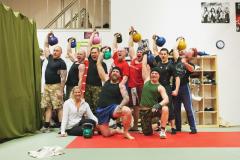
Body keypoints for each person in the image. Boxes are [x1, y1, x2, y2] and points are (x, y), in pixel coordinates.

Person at [96, 50, 134, 140]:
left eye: (117, 72)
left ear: (120, 75)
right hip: (102, 109)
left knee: (127, 111)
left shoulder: (121, 85)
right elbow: (98, 64)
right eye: (114, 71)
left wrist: (120, 106)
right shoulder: (106, 79)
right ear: (110, 73)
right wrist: (102, 52)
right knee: (106, 133)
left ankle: (125, 132)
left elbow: (126, 98)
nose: (115, 72)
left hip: (114, 108)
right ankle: (116, 130)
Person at [40, 32, 67, 132]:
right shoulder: (50, 58)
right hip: (47, 86)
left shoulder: (62, 63)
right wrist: (47, 35)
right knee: (47, 106)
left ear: (61, 53)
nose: (55, 52)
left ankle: (62, 127)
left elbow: (63, 78)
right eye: (54, 50)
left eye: (57, 51)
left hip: (56, 87)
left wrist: (61, 90)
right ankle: (46, 126)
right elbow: (46, 46)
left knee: (59, 107)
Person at [152, 40, 180, 134]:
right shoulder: (158, 63)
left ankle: (173, 127)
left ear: (168, 55)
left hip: (167, 88)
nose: (163, 55)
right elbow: (154, 50)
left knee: (169, 107)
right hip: (158, 88)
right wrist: (153, 40)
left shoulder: (171, 65)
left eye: (165, 54)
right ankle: (161, 125)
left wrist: (176, 89)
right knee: (159, 107)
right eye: (162, 54)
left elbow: (177, 78)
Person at [140, 52, 169, 138]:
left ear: (159, 76)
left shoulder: (160, 87)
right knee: (147, 133)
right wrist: (145, 54)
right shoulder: (146, 80)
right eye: (153, 73)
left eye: (156, 73)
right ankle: (158, 124)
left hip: (153, 110)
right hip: (144, 111)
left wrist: (158, 105)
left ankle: (163, 131)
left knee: (165, 108)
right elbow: (143, 65)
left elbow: (166, 99)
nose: (154, 74)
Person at [172, 48, 197, 134]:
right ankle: (178, 128)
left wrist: (185, 63)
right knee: (176, 109)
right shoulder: (178, 59)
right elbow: (174, 49)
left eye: (190, 52)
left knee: (188, 108)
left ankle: (193, 128)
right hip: (175, 87)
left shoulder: (191, 64)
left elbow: (192, 70)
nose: (188, 51)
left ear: (192, 56)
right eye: (188, 50)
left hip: (184, 88)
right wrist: (179, 39)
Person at [84, 31, 108, 115]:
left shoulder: (102, 64)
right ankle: (91, 121)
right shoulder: (88, 60)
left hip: (97, 87)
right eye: (92, 53)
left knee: (97, 105)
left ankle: (99, 121)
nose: (93, 54)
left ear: (99, 53)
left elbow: (104, 77)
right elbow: (89, 45)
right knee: (88, 105)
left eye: (95, 52)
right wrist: (93, 35)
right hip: (87, 86)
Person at [127, 28, 144, 131]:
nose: (139, 53)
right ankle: (135, 126)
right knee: (135, 107)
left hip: (142, 87)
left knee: (142, 106)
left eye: (141, 52)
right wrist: (131, 34)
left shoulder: (145, 62)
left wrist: (139, 38)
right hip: (132, 87)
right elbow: (130, 46)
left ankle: (145, 125)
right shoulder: (133, 59)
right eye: (138, 52)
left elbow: (143, 48)